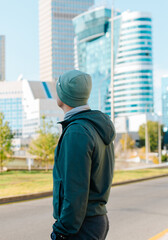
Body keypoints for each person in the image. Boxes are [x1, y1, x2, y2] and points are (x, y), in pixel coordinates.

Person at [51, 70, 115, 240]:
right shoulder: (95, 126)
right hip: (95, 220)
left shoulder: (77, 132)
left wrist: (62, 230)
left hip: (80, 227)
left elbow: (75, 190)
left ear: (64, 94)